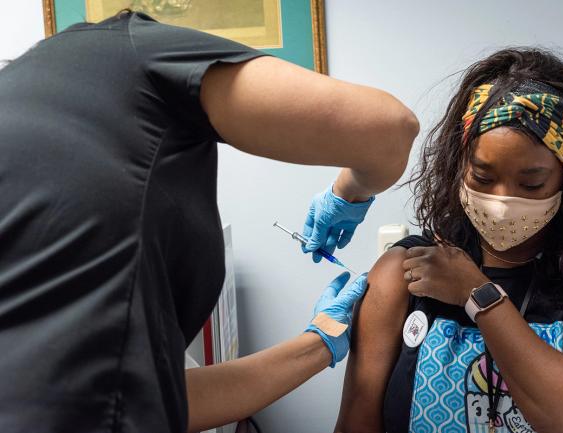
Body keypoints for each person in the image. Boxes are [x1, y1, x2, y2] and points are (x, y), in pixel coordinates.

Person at [0, 10, 419, 433]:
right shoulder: (115, 53)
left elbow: (159, 396)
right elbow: (389, 128)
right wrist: (348, 193)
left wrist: (318, 343)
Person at [335, 48, 563, 433]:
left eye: (531, 183)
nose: (501, 204)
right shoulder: (405, 271)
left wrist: (478, 294)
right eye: (482, 178)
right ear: (457, 166)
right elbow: (356, 424)